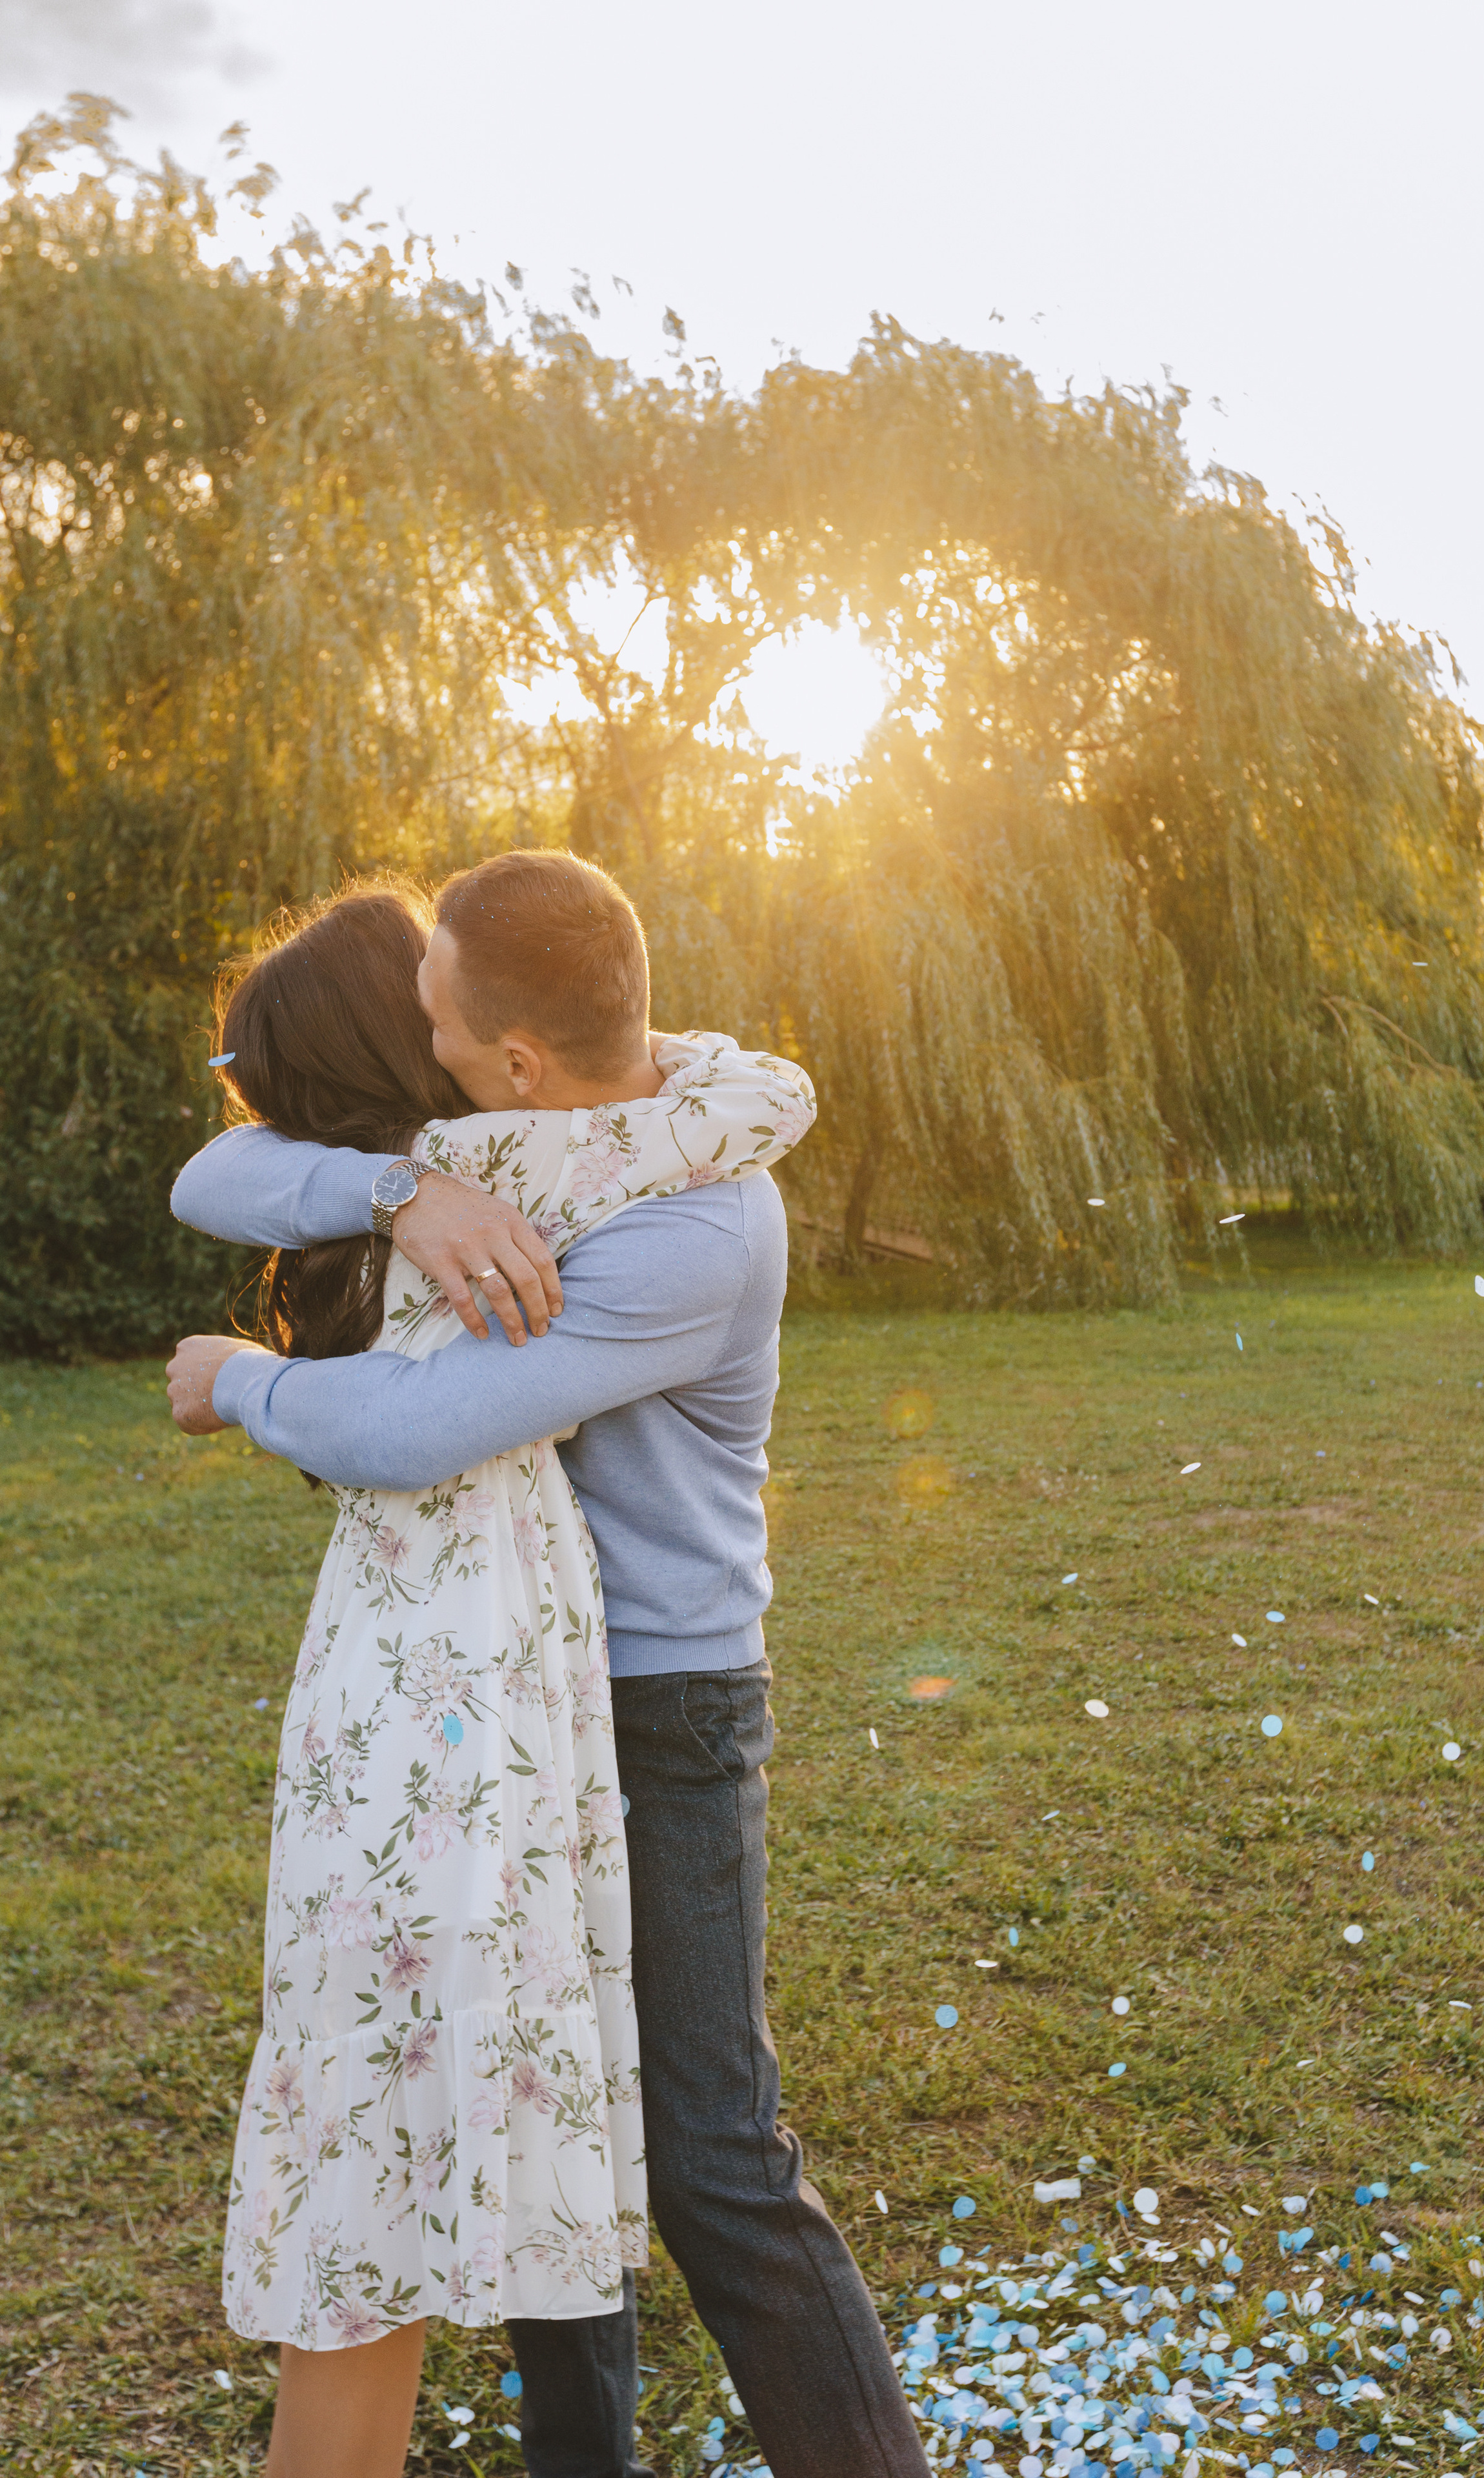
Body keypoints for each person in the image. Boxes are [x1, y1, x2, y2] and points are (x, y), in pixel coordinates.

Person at [169, 850, 932, 2478]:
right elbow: (215, 1177)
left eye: (440, 1018)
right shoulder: (522, 1146)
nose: (423, 1037)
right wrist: (397, 1188)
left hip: (656, 1703)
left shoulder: (685, 1223)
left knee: (709, 2153)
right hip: (514, 1691)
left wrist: (236, 1380)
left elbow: (418, 1426)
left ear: (510, 1058)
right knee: (545, 2113)